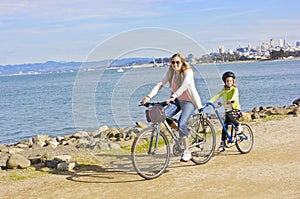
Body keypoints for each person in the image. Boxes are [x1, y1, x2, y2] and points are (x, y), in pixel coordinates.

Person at [141, 53, 202, 162]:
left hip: (189, 101)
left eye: (177, 62)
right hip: (178, 100)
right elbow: (160, 84)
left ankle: (187, 151)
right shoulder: (171, 72)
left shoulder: (187, 72)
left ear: (182, 62)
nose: (175, 64)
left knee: (182, 123)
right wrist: (148, 97)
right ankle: (181, 134)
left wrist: (173, 96)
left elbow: (185, 86)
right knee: (164, 115)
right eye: (173, 62)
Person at [208, 71, 243, 152]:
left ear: (233, 81)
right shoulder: (223, 90)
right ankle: (222, 143)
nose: (229, 82)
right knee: (224, 127)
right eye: (227, 81)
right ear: (225, 82)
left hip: (235, 110)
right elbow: (217, 95)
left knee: (230, 117)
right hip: (228, 110)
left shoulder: (235, 89)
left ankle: (238, 126)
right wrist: (210, 101)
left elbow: (234, 96)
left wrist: (231, 100)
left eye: (230, 81)